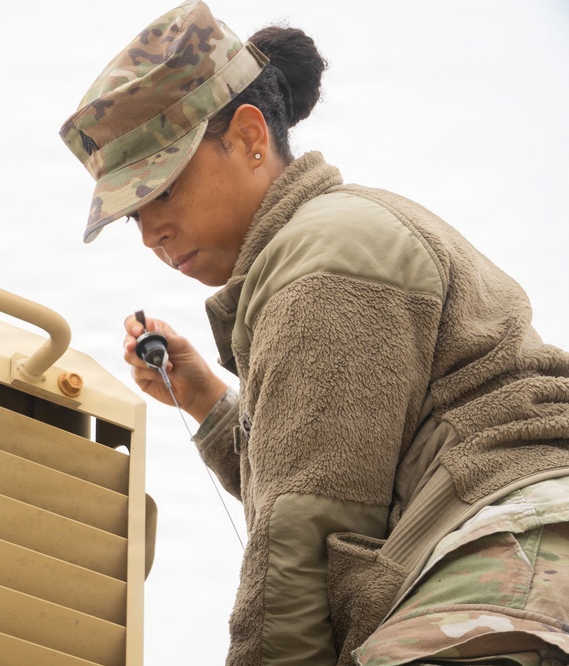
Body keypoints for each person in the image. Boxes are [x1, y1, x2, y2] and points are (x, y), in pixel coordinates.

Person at [59, 2, 569, 665]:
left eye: (164, 189)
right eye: (134, 215)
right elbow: (345, 475)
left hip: (512, 574)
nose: (152, 231)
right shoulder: (333, 240)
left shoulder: (323, 260)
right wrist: (210, 405)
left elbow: (306, 535)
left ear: (248, 137)